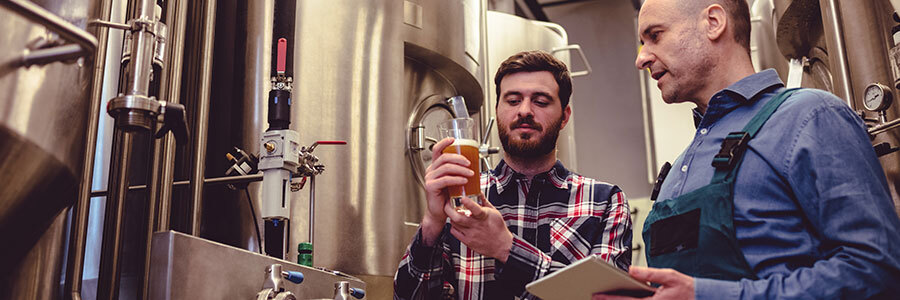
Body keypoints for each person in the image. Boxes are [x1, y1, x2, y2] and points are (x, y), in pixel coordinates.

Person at [595, 0, 900, 299]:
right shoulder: (677, 171)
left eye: (655, 36)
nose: (641, 58)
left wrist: (707, 295)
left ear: (713, 22)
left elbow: (876, 270)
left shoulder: (809, 116)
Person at [395, 50, 632, 300]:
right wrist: (432, 222)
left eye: (541, 101)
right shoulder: (460, 200)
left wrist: (506, 248)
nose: (525, 111)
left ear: (564, 116)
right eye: (512, 100)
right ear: (497, 110)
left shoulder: (604, 201)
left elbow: (609, 297)